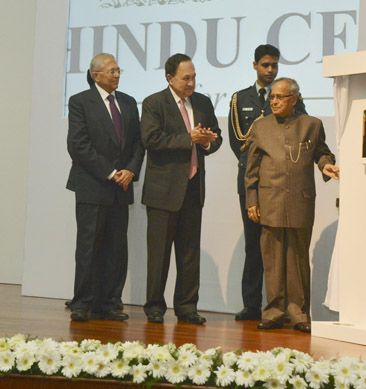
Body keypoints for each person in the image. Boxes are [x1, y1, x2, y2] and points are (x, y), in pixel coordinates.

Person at [244, 77, 339, 333]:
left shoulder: (312, 125)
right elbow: (250, 170)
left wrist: (325, 165)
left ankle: (299, 313)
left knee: (297, 259)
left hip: (300, 200)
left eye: (279, 97)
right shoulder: (261, 127)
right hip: (269, 200)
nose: (273, 101)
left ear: (294, 99)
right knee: (273, 261)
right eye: (271, 97)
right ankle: (274, 312)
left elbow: (322, 152)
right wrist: (251, 200)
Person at [141, 53, 222, 324]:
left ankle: (187, 307)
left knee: (189, 253)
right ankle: (154, 306)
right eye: (186, 78)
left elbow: (216, 137)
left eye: (194, 77)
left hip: (193, 188)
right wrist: (189, 138)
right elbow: (151, 139)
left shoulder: (202, 102)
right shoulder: (154, 103)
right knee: (159, 254)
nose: (191, 83)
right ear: (169, 78)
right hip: (163, 191)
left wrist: (208, 141)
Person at [228, 44, 306, 321]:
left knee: (284, 245)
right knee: (254, 243)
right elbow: (239, 142)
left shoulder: (293, 98)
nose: (270, 70)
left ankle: (283, 306)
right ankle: (252, 304)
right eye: (265, 65)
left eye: (274, 65)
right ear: (255, 66)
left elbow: (299, 134)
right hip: (252, 178)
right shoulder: (240, 99)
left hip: (283, 180)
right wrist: (267, 128)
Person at [66, 53, 144, 322]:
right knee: (89, 247)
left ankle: (108, 303)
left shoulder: (129, 102)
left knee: (115, 248)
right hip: (93, 185)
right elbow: (78, 145)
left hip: (122, 187)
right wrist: (111, 173)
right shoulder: (80, 102)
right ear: (96, 75)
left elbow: (137, 143)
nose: (117, 75)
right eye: (111, 71)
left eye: (118, 70)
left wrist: (130, 170)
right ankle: (82, 303)